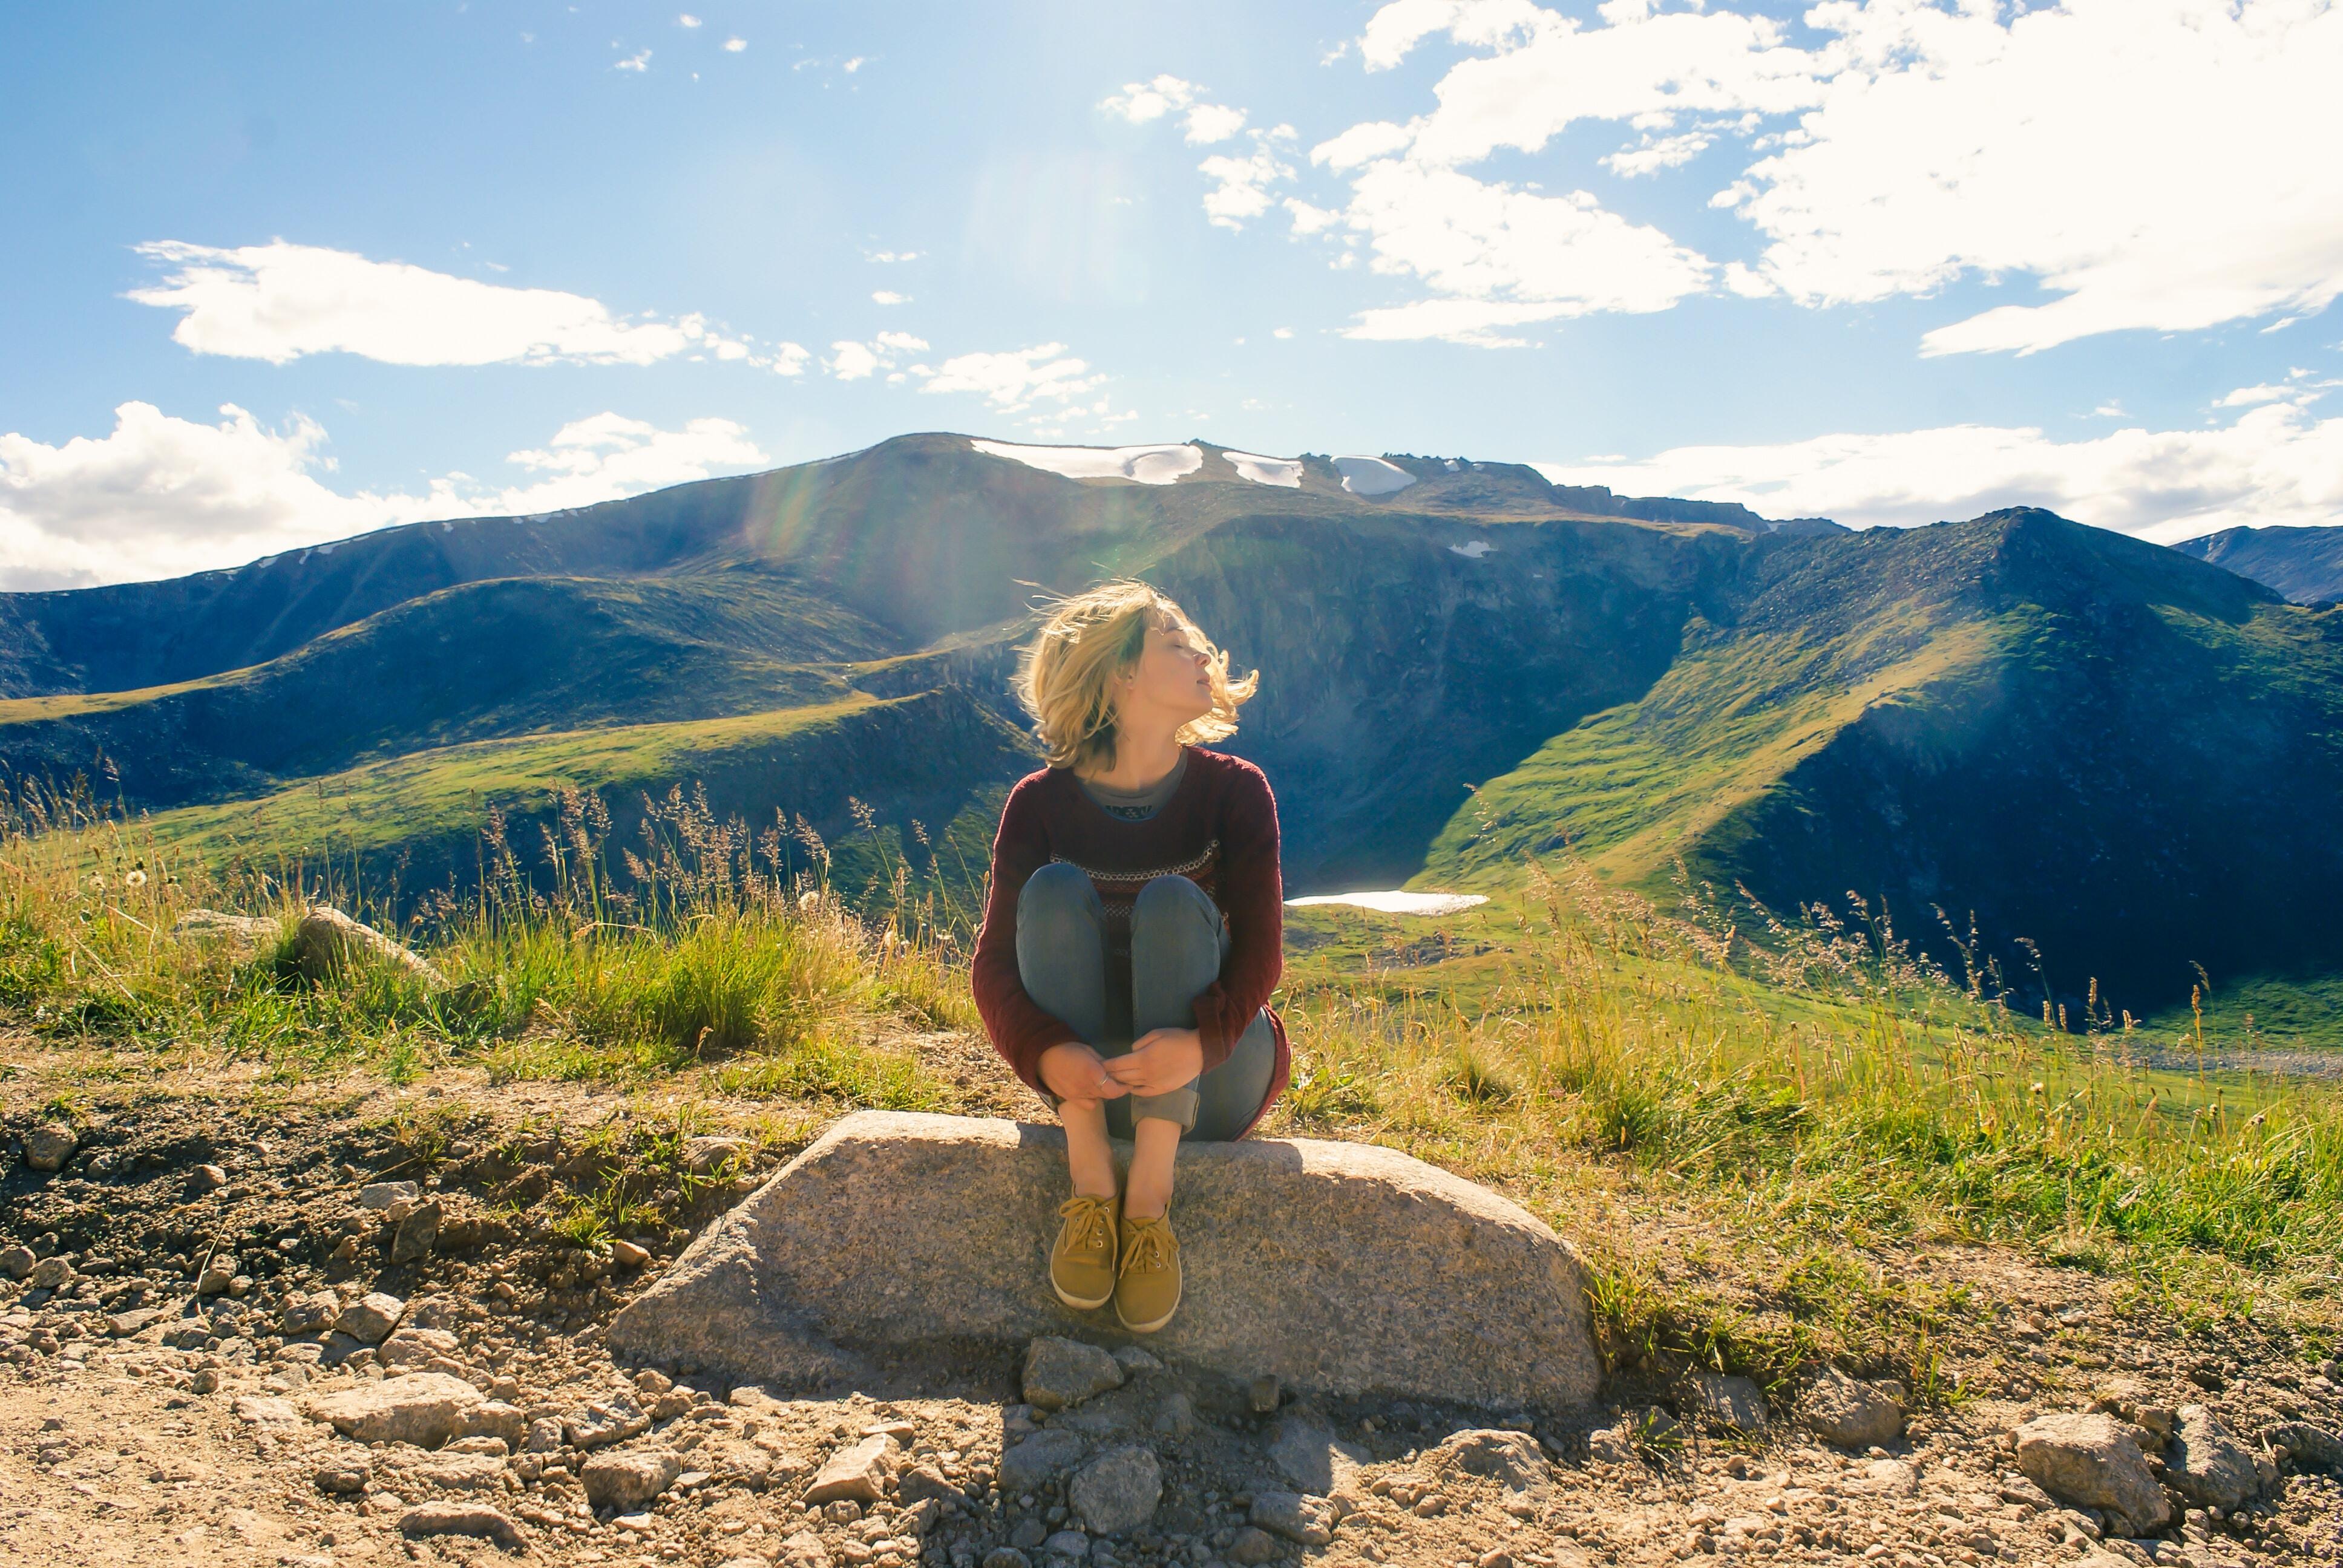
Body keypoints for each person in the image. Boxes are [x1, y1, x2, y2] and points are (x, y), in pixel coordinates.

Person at [970, 579, 1290, 1333]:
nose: (1202, 654)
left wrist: (1198, 1044)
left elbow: (1262, 960)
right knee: (1050, 892)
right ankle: (1091, 1184)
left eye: (1197, 641)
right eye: (1175, 644)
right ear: (1120, 674)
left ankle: (1147, 1201)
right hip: (1094, 1081)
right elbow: (991, 967)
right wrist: (1049, 1057)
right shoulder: (1038, 804)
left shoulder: (1235, 792)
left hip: (1213, 1073)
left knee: (1175, 903)